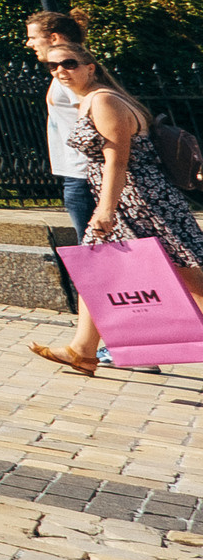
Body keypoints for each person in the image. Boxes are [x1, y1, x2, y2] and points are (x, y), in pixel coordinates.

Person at [32, 46, 203, 376]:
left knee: (189, 278)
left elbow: (117, 160)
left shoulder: (103, 100)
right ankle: (83, 349)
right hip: (131, 199)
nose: (61, 70)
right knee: (97, 271)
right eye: (53, 66)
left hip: (139, 202)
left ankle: (85, 350)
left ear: (91, 68)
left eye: (70, 63)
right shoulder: (95, 99)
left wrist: (105, 210)